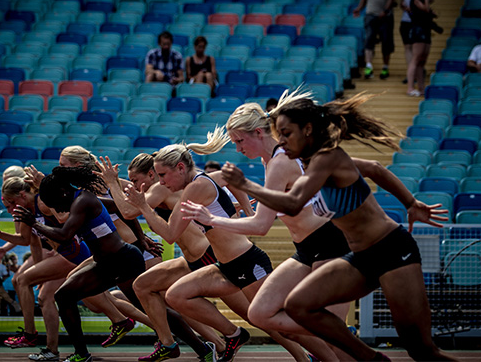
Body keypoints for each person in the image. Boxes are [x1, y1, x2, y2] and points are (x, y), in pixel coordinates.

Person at [178, 101, 448, 361]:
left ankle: (347, 340)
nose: (237, 148)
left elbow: (264, 223)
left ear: (259, 133)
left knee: (411, 348)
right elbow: (293, 201)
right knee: (263, 313)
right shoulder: (284, 161)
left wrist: (214, 217)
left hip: (343, 244)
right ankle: (351, 342)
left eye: (239, 141)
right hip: (316, 249)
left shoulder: (291, 160)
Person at [121, 136, 315, 362]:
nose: (161, 182)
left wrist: (248, 213)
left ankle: (323, 344)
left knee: (268, 319)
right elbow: (225, 184)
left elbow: (167, 232)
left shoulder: (193, 187)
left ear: (179, 168)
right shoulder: (192, 185)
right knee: (172, 294)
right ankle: (229, 336)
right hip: (223, 264)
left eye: (162, 175)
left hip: (241, 261)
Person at [13, 166, 208, 362]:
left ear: (63, 192)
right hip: (110, 262)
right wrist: (140, 239)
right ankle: (201, 350)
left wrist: (35, 223)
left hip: (120, 261)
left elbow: (64, 236)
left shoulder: (82, 202)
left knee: (65, 296)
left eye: (54, 202)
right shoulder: (83, 199)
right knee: (68, 297)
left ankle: (82, 354)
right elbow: (121, 209)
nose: (56, 207)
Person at [96, 154, 236, 360]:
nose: (133, 185)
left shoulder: (160, 189)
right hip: (194, 256)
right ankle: (179, 343)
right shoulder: (163, 187)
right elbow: (134, 190)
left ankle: (229, 339)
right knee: (156, 291)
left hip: (206, 255)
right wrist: (111, 180)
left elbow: (127, 210)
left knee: (253, 313)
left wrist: (109, 183)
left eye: (135, 180)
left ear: (152, 174)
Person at [353, 0, 395, 79]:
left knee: (386, 42)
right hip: (371, 14)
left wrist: (386, 10)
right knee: (368, 41)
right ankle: (368, 66)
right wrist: (359, 8)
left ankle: (385, 67)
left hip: (385, 17)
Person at [406, 0, 436, 97]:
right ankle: (410, 87)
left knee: (422, 61)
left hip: (426, 31)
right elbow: (426, 9)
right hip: (418, 31)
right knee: (415, 59)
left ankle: (421, 88)